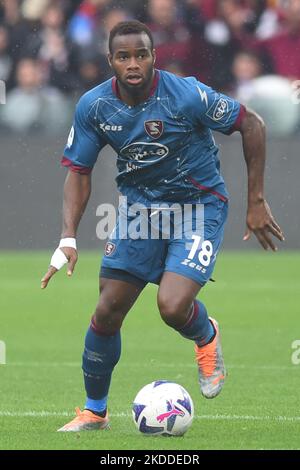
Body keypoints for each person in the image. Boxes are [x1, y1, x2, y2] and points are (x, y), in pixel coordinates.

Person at [41, 20, 284, 432]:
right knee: (107, 311)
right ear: (110, 61)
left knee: (172, 307)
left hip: (198, 208)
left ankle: (205, 335)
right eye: (124, 57)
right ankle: (94, 412)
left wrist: (256, 200)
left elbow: (252, 124)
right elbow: (79, 172)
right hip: (139, 212)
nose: (133, 64)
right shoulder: (95, 107)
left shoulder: (185, 94)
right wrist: (67, 237)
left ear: (154, 56)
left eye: (141, 54)